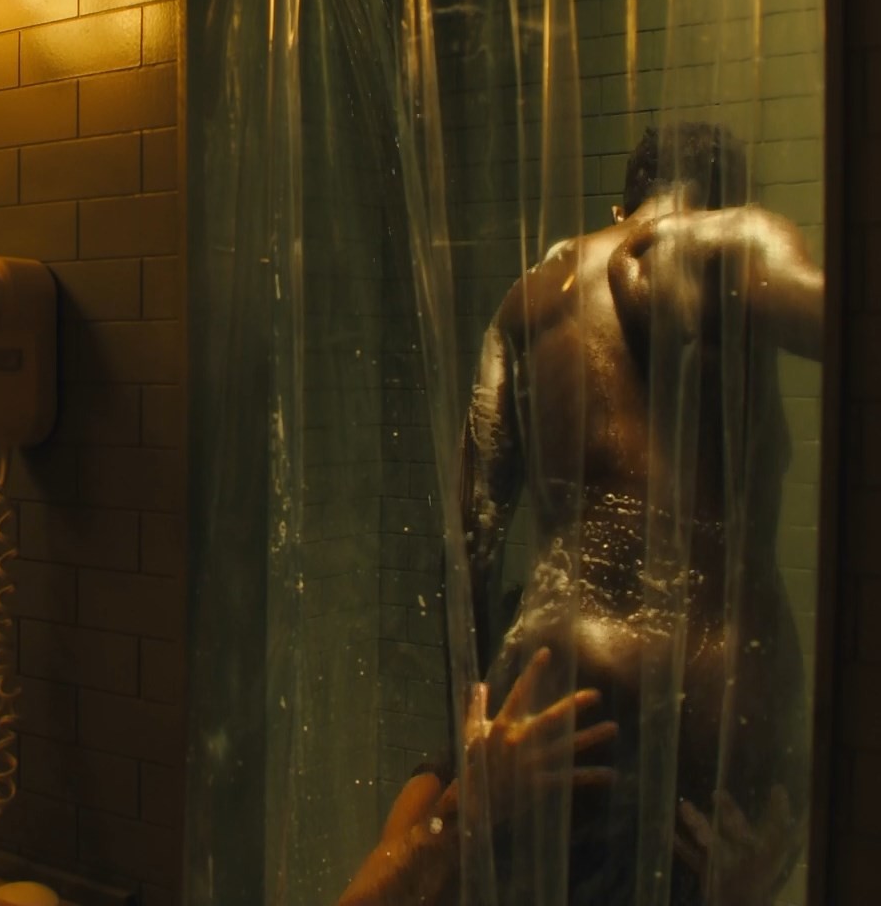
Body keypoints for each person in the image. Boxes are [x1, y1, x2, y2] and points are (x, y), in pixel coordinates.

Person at [342, 123, 821, 906]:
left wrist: (476, 730)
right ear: (731, 202)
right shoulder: (718, 242)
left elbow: (471, 541)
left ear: (619, 205)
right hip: (719, 696)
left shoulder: (532, 300)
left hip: (562, 692)